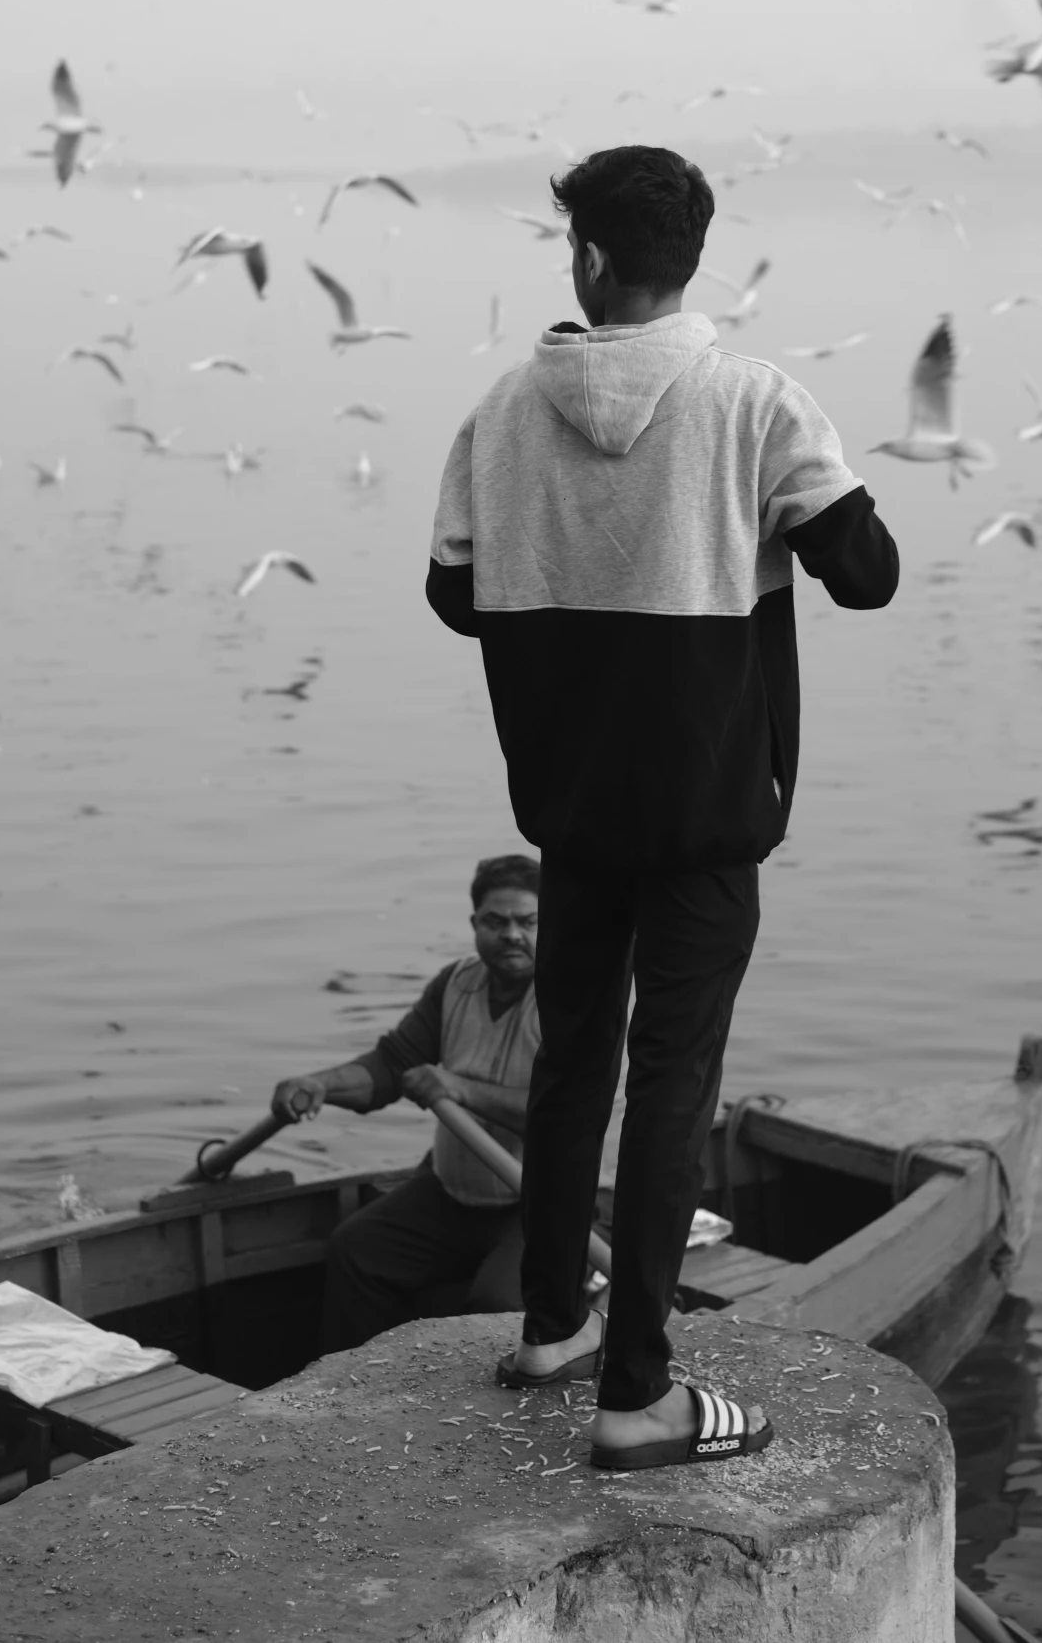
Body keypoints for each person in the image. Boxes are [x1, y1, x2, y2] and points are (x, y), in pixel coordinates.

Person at [426, 143, 898, 1469]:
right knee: (671, 1084)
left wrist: (566, 543)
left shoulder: (502, 412)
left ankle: (549, 1322)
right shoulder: (754, 400)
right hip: (702, 813)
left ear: (584, 257)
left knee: (574, 1061)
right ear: (691, 256)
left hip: (569, 811)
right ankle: (638, 1389)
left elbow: (454, 593)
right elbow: (864, 572)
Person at [270, 853, 541, 1352]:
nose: (511, 935)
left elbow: (569, 1118)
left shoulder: (579, 998)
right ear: (474, 923)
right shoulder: (456, 983)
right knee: (357, 1249)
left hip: (556, 1203)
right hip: (454, 1192)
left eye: (528, 922)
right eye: (495, 921)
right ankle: (354, 1394)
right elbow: (390, 1067)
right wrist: (319, 1084)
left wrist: (460, 1089)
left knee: (496, 1302)